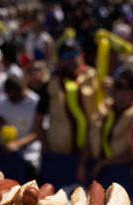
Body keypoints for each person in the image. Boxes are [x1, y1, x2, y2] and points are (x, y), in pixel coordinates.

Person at [36, 39, 104, 181]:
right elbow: (38, 119)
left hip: (87, 156)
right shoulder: (51, 83)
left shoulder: (93, 77)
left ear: (81, 55)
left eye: (75, 54)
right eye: (66, 56)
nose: (72, 59)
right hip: (58, 154)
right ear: (59, 60)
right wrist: (45, 146)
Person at [90, 69, 133, 178]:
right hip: (97, 171)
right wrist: (82, 163)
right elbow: (91, 138)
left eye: (119, 86)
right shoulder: (105, 108)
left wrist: (105, 163)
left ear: (132, 91)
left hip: (124, 176)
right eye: (114, 84)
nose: (113, 89)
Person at [0, 76, 42, 179]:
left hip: (29, 156)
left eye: (16, 93)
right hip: (6, 152)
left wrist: (17, 144)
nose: (12, 97)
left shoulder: (36, 102)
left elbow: (38, 133)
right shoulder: (2, 100)